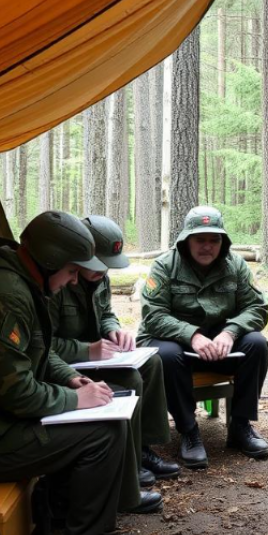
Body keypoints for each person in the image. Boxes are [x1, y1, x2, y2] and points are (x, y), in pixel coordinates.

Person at [0, 210, 151, 535]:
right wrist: (75, 401)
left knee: (110, 407)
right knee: (103, 433)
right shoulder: (3, 297)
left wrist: (71, 380)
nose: (73, 281)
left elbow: (41, 349)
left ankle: (74, 513)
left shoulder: (18, 286)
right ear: (50, 261)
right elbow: (16, 393)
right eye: (71, 271)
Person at [50, 215, 178, 509]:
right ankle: (128, 464)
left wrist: (113, 329)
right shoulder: (57, 281)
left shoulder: (99, 278)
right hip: (72, 362)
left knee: (151, 363)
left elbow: (105, 310)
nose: (103, 270)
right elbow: (44, 344)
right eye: (98, 263)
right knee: (131, 379)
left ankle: (144, 446)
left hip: (98, 355)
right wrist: (86, 350)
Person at [137, 206, 268, 468]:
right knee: (166, 355)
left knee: (256, 344)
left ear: (223, 241)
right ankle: (188, 431)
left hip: (219, 347)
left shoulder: (236, 265)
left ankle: (240, 426)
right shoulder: (165, 265)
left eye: (214, 240)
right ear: (187, 239)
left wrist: (230, 333)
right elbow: (153, 316)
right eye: (200, 239)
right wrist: (192, 335)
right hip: (175, 346)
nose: (207, 246)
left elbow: (257, 307)